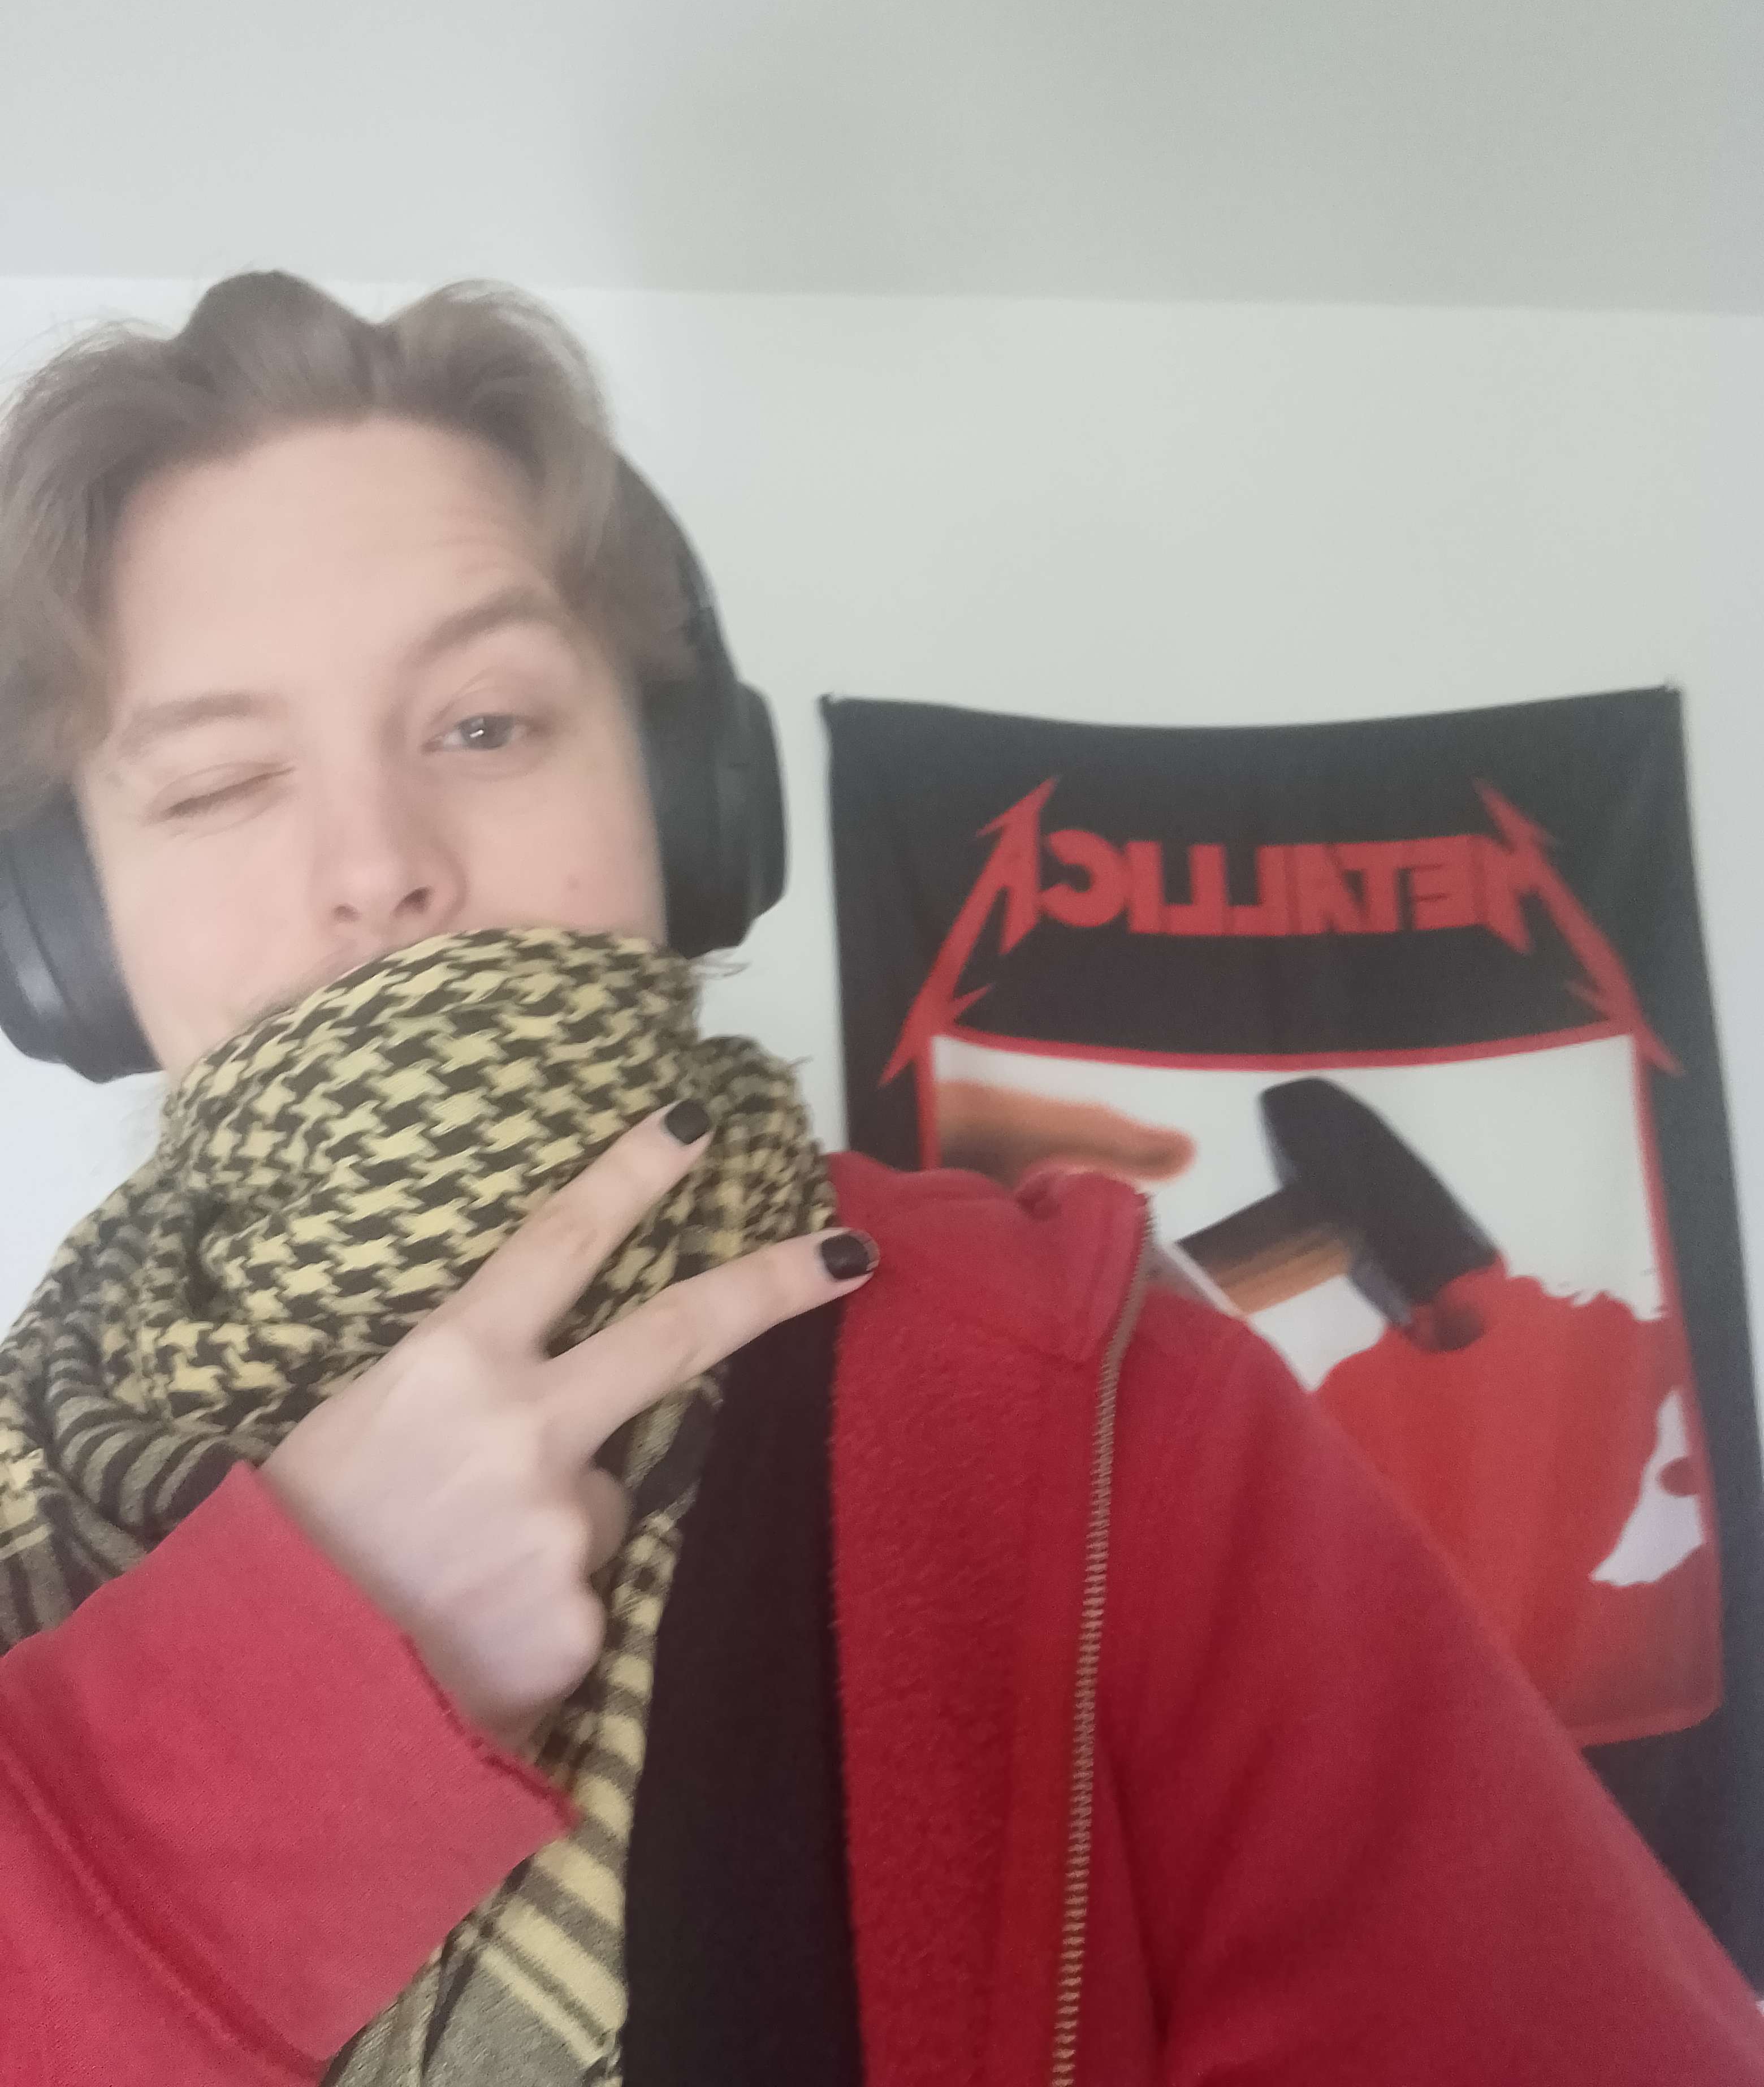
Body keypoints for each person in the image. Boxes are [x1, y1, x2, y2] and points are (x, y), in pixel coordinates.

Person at [0, 273, 1758, 2087]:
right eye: (217, 783)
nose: (378, 866)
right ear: (66, 940)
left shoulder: (1081, 1397)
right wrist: (277, 1725)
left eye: (486, 726)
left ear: (693, 805)